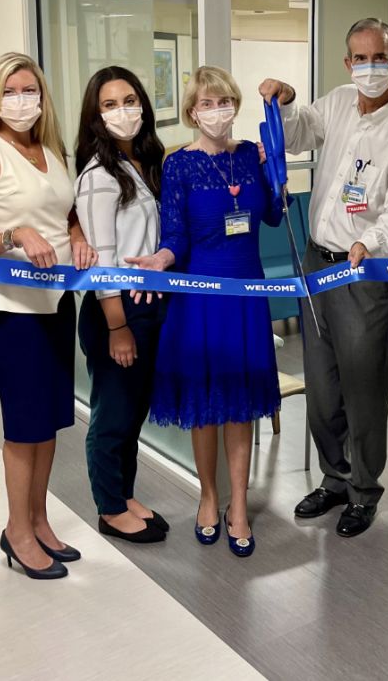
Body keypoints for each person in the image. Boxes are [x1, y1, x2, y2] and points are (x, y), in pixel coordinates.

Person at [259, 17, 388, 539]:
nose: (369, 67)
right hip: (317, 263)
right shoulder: (335, 103)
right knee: (323, 381)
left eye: (378, 58)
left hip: (364, 271)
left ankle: (363, 489)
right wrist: (284, 101)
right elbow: (293, 135)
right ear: (347, 62)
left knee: (362, 384)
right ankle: (333, 478)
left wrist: (371, 241)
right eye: (359, 58)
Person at [128, 66, 282, 558]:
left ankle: (239, 502)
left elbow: (274, 215)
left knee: (239, 404)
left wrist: (274, 165)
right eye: (207, 104)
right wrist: (159, 259)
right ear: (192, 112)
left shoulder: (251, 159)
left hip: (246, 292)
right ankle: (208, 497)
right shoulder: (180, 166)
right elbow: (174, 236)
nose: (217, 111)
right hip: (198, 295)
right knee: (203, 406)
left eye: (225, 101)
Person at [0, 52, 97, 580]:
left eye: (31, 90)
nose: (23, 100)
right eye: (11, 91)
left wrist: (78, 238)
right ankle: (17, 531)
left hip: (57, 301)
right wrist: (15, 235)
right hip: (14, 307)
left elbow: (66, 212)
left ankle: (39, 521)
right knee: (23, 425)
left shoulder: (49, 149)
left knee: (50, 421)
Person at [74, 66, 170, 544]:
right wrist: (117, 327)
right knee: (111, 416)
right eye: (109, 105)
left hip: (146, 306)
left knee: (133, 413)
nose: (123, 111)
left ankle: (126, 494)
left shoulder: (143, 162)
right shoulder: (99, 174)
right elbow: (102, 259)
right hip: (116, 312)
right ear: (95, 116)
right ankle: (110, 508)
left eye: (129, 99)